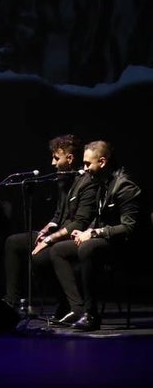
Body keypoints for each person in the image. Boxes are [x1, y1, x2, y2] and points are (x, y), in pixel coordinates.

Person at [47, 140, 144, 331]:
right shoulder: (101, 183)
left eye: (87, 164)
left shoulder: (125, 187)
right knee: (58, 250)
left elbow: (129, 228)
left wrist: (94, 233)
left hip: (125, 246)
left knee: (88, 248)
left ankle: (91, 314)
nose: (84, 169)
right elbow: (99, 219)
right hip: (106, 239)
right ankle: (77, 308)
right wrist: (86, 231)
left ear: (102, 162)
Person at [2, 134, 98, 323]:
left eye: (56, 158)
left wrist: (48, 240)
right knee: (13, 242)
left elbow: (79, 223)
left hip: (73, 236)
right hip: (57, 233)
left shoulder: (87, 182)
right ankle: (10, 302)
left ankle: (64, 303)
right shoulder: (63, 180)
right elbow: (59, 214)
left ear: (69, 158)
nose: (53, 163)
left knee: (39, 257)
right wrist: (47, 229)